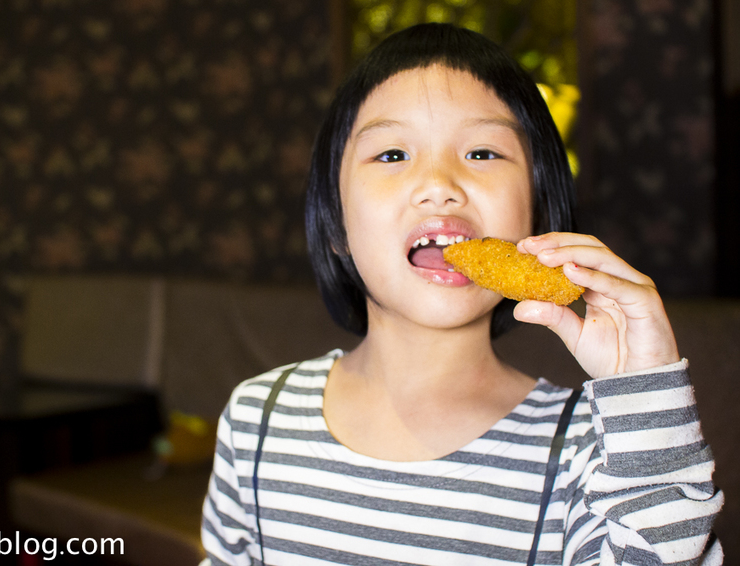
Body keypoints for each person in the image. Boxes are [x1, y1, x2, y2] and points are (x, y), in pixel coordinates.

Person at [199, 23, 723, 565]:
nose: (441, 183)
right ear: (336, 225)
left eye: (482, 152)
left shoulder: (593, 453)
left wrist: (646, 393)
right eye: (393, 155)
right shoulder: (257, 421)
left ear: (536, 217)